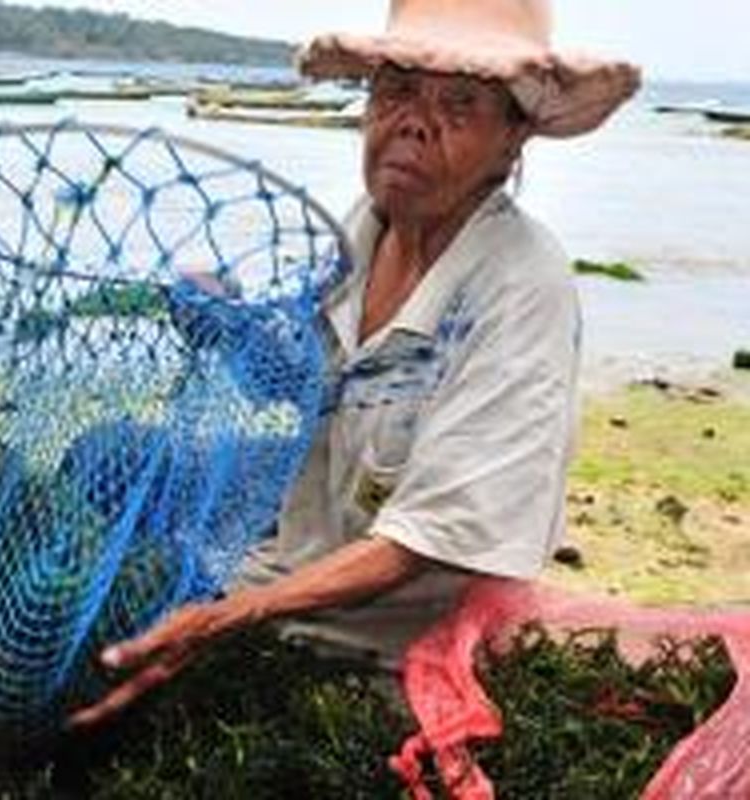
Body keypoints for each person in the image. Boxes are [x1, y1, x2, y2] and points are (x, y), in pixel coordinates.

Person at [70, 0, 640, 728]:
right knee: (103, 455)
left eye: (459, 104)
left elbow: (422, 542)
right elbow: (307, 383)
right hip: (296, 534)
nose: (414, 121)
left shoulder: (521, 285)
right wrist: (231, 330)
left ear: (512, 140)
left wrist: (227, 618)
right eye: (396, 89)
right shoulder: (358, 230)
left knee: (115, 673)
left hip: (388, 628)